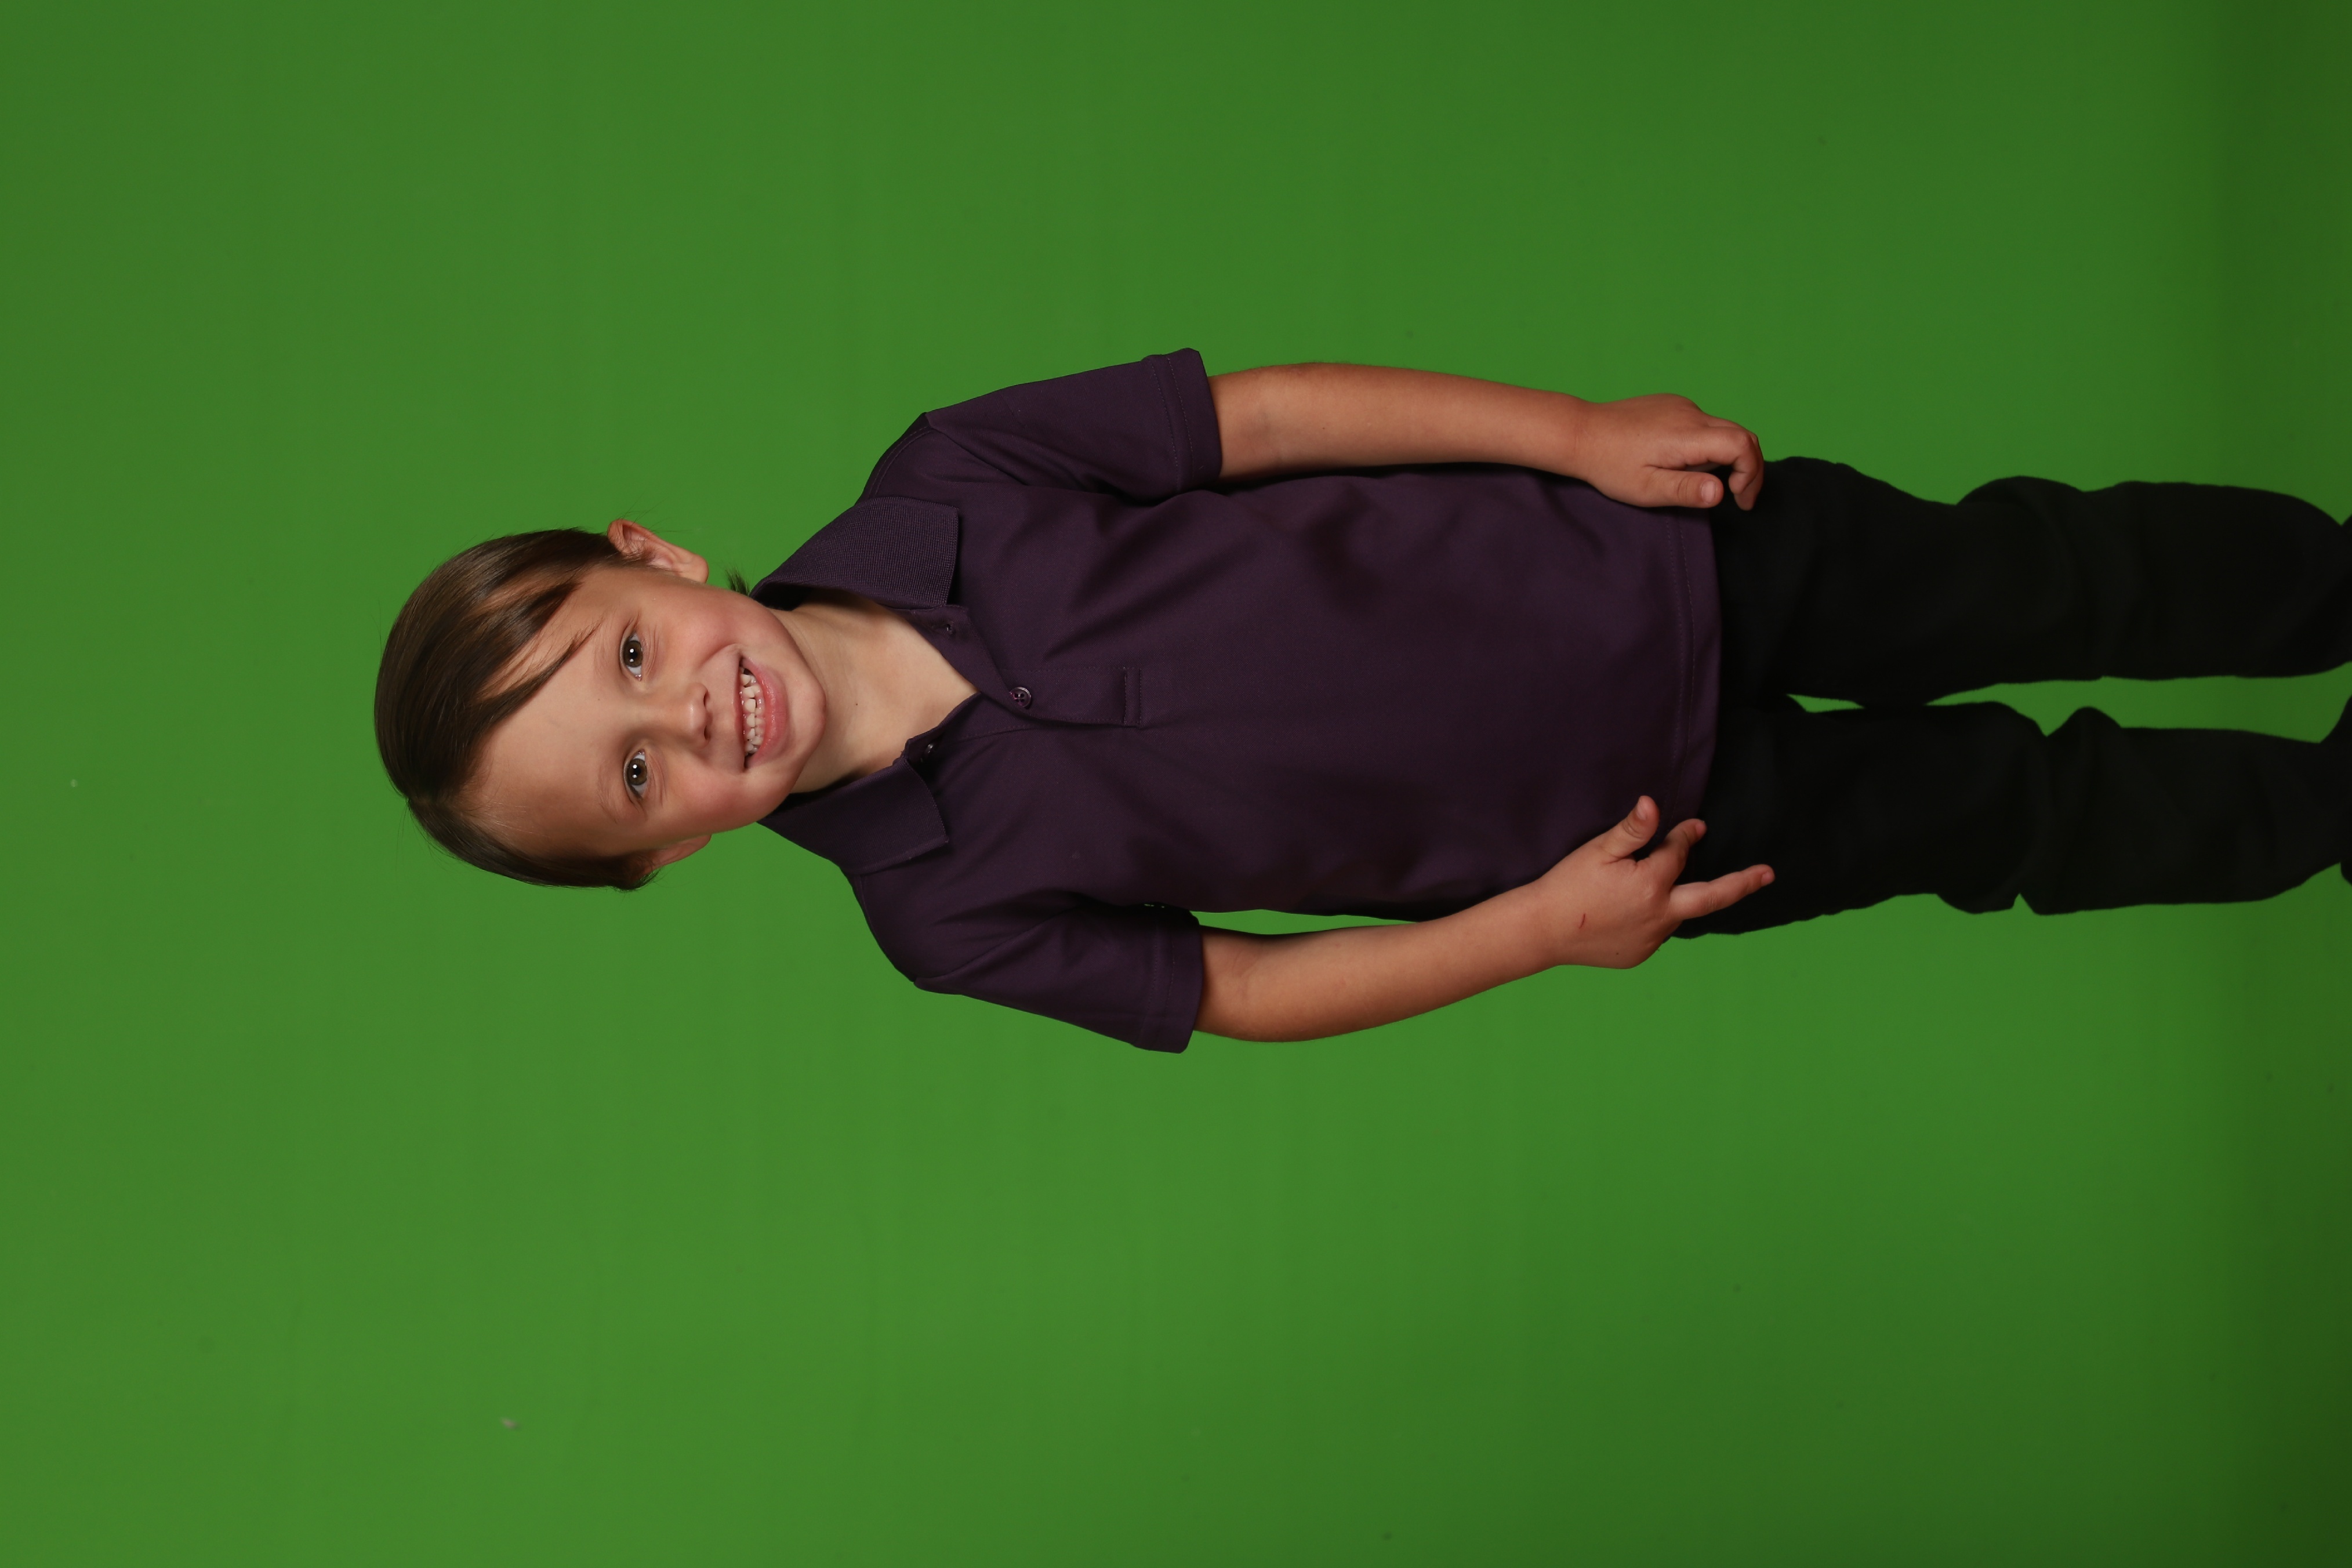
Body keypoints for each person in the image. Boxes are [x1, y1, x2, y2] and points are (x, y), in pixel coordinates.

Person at [374, 351, 2352, 1049]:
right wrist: (1536, 931)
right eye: (633, 783)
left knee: (2044, 574)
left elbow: (1264, 421)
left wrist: (1573, 436)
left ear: (655, 555)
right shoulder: (941, 915)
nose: (688, 720)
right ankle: (2330, 810)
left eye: (627, 656)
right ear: (655, 863)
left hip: (1649, 559)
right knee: (2012, 818)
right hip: (1628, 839)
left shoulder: (951, 475)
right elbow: (1244, 988)